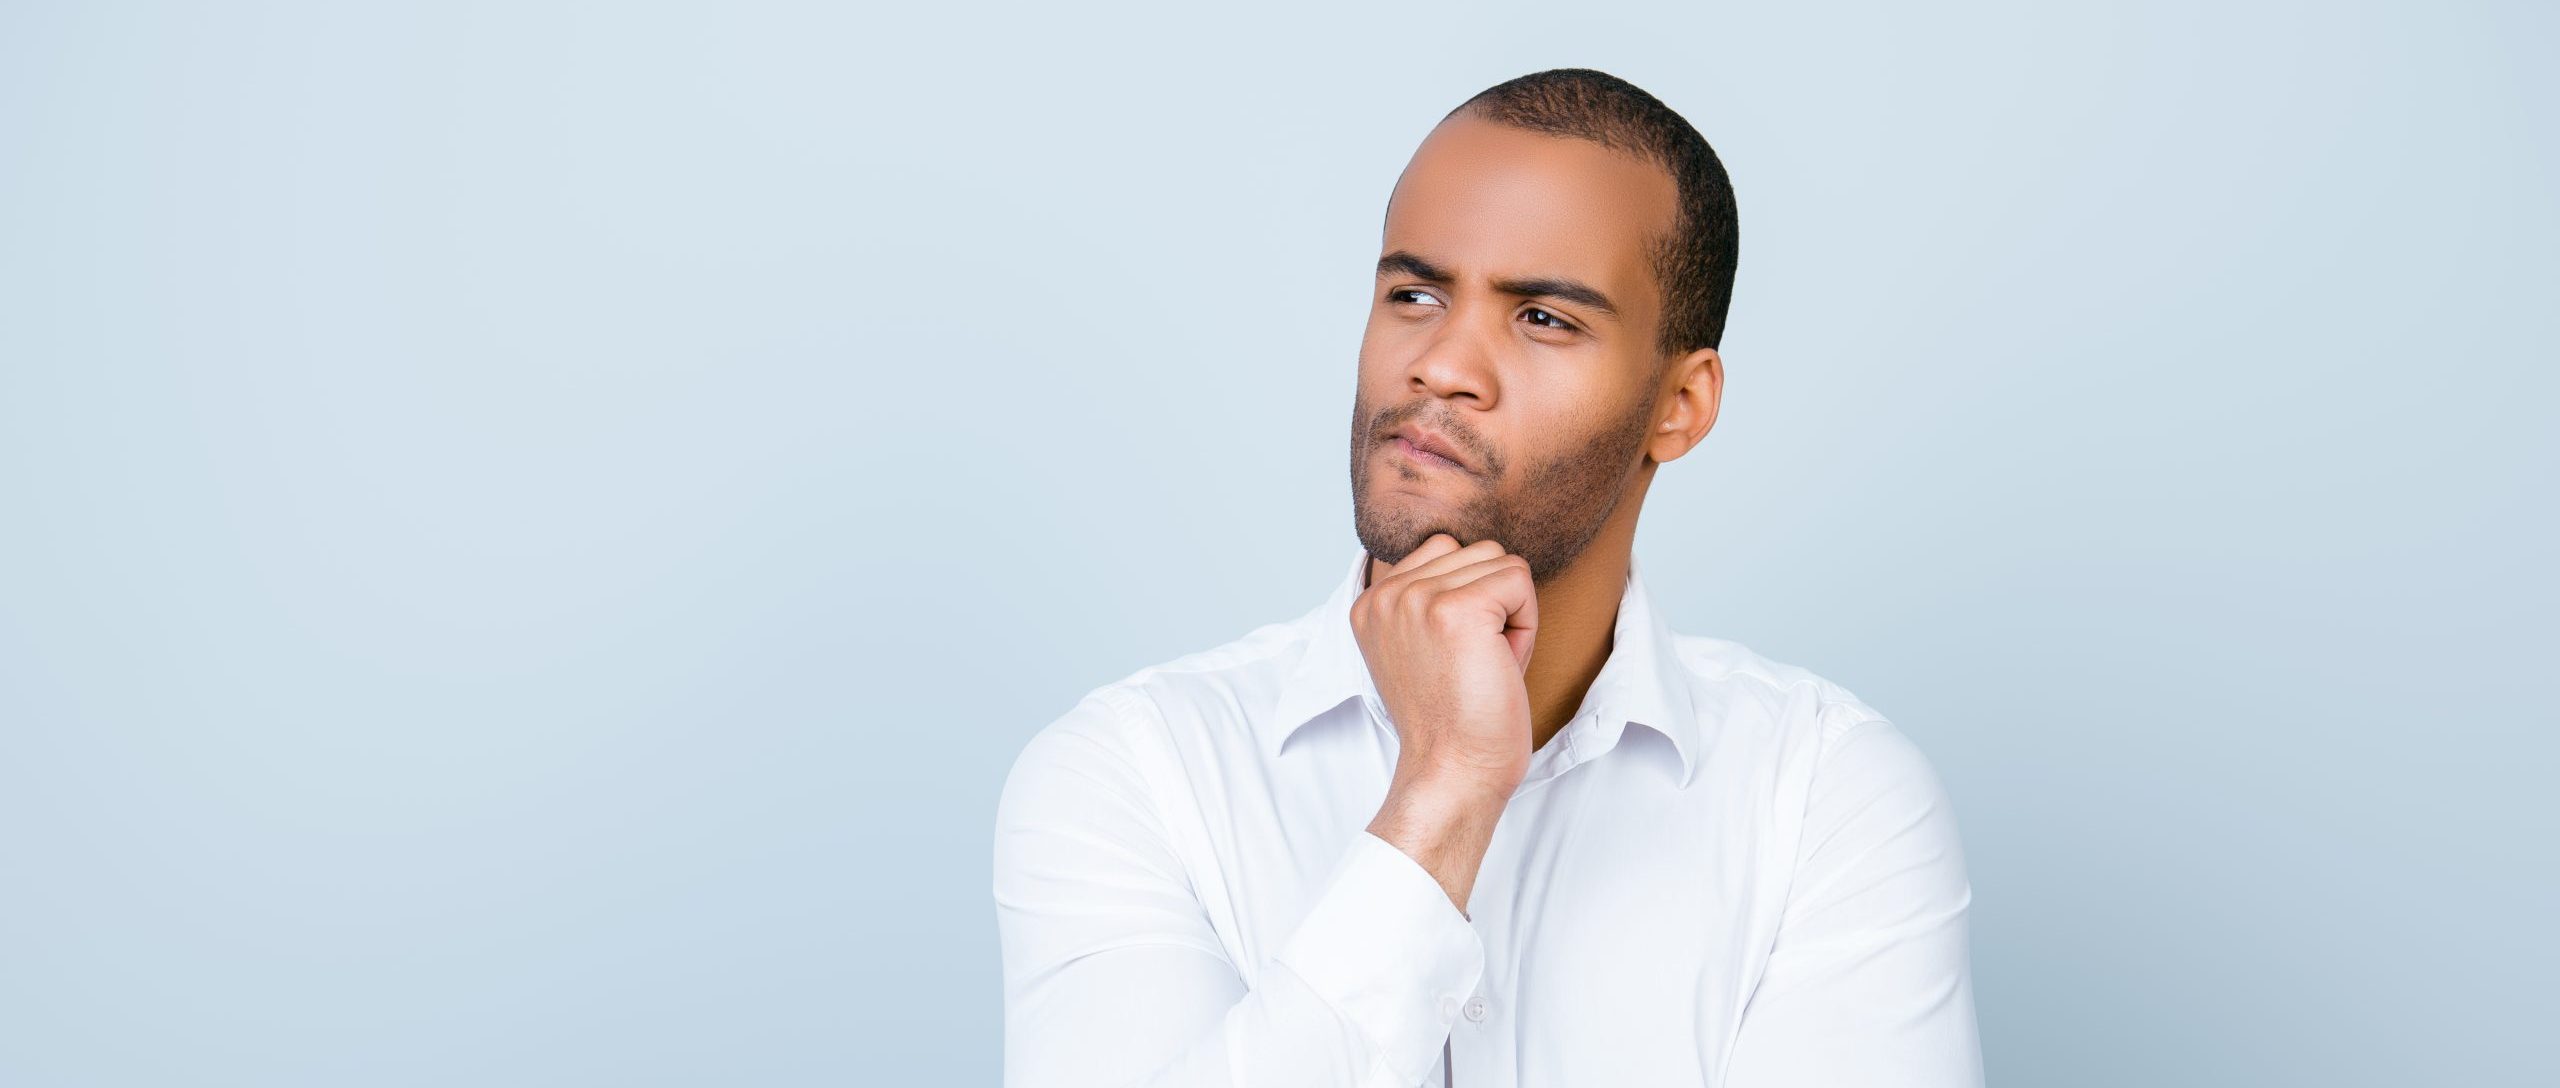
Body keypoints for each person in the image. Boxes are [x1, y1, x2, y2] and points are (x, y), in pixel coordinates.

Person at [993, 67, 1982, 1088]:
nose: (1442, 365)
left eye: (1543, 318)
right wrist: (1443, 795)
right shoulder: (1135, 776)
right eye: (1414, 295)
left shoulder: (1823, 801)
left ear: (1679, 404)